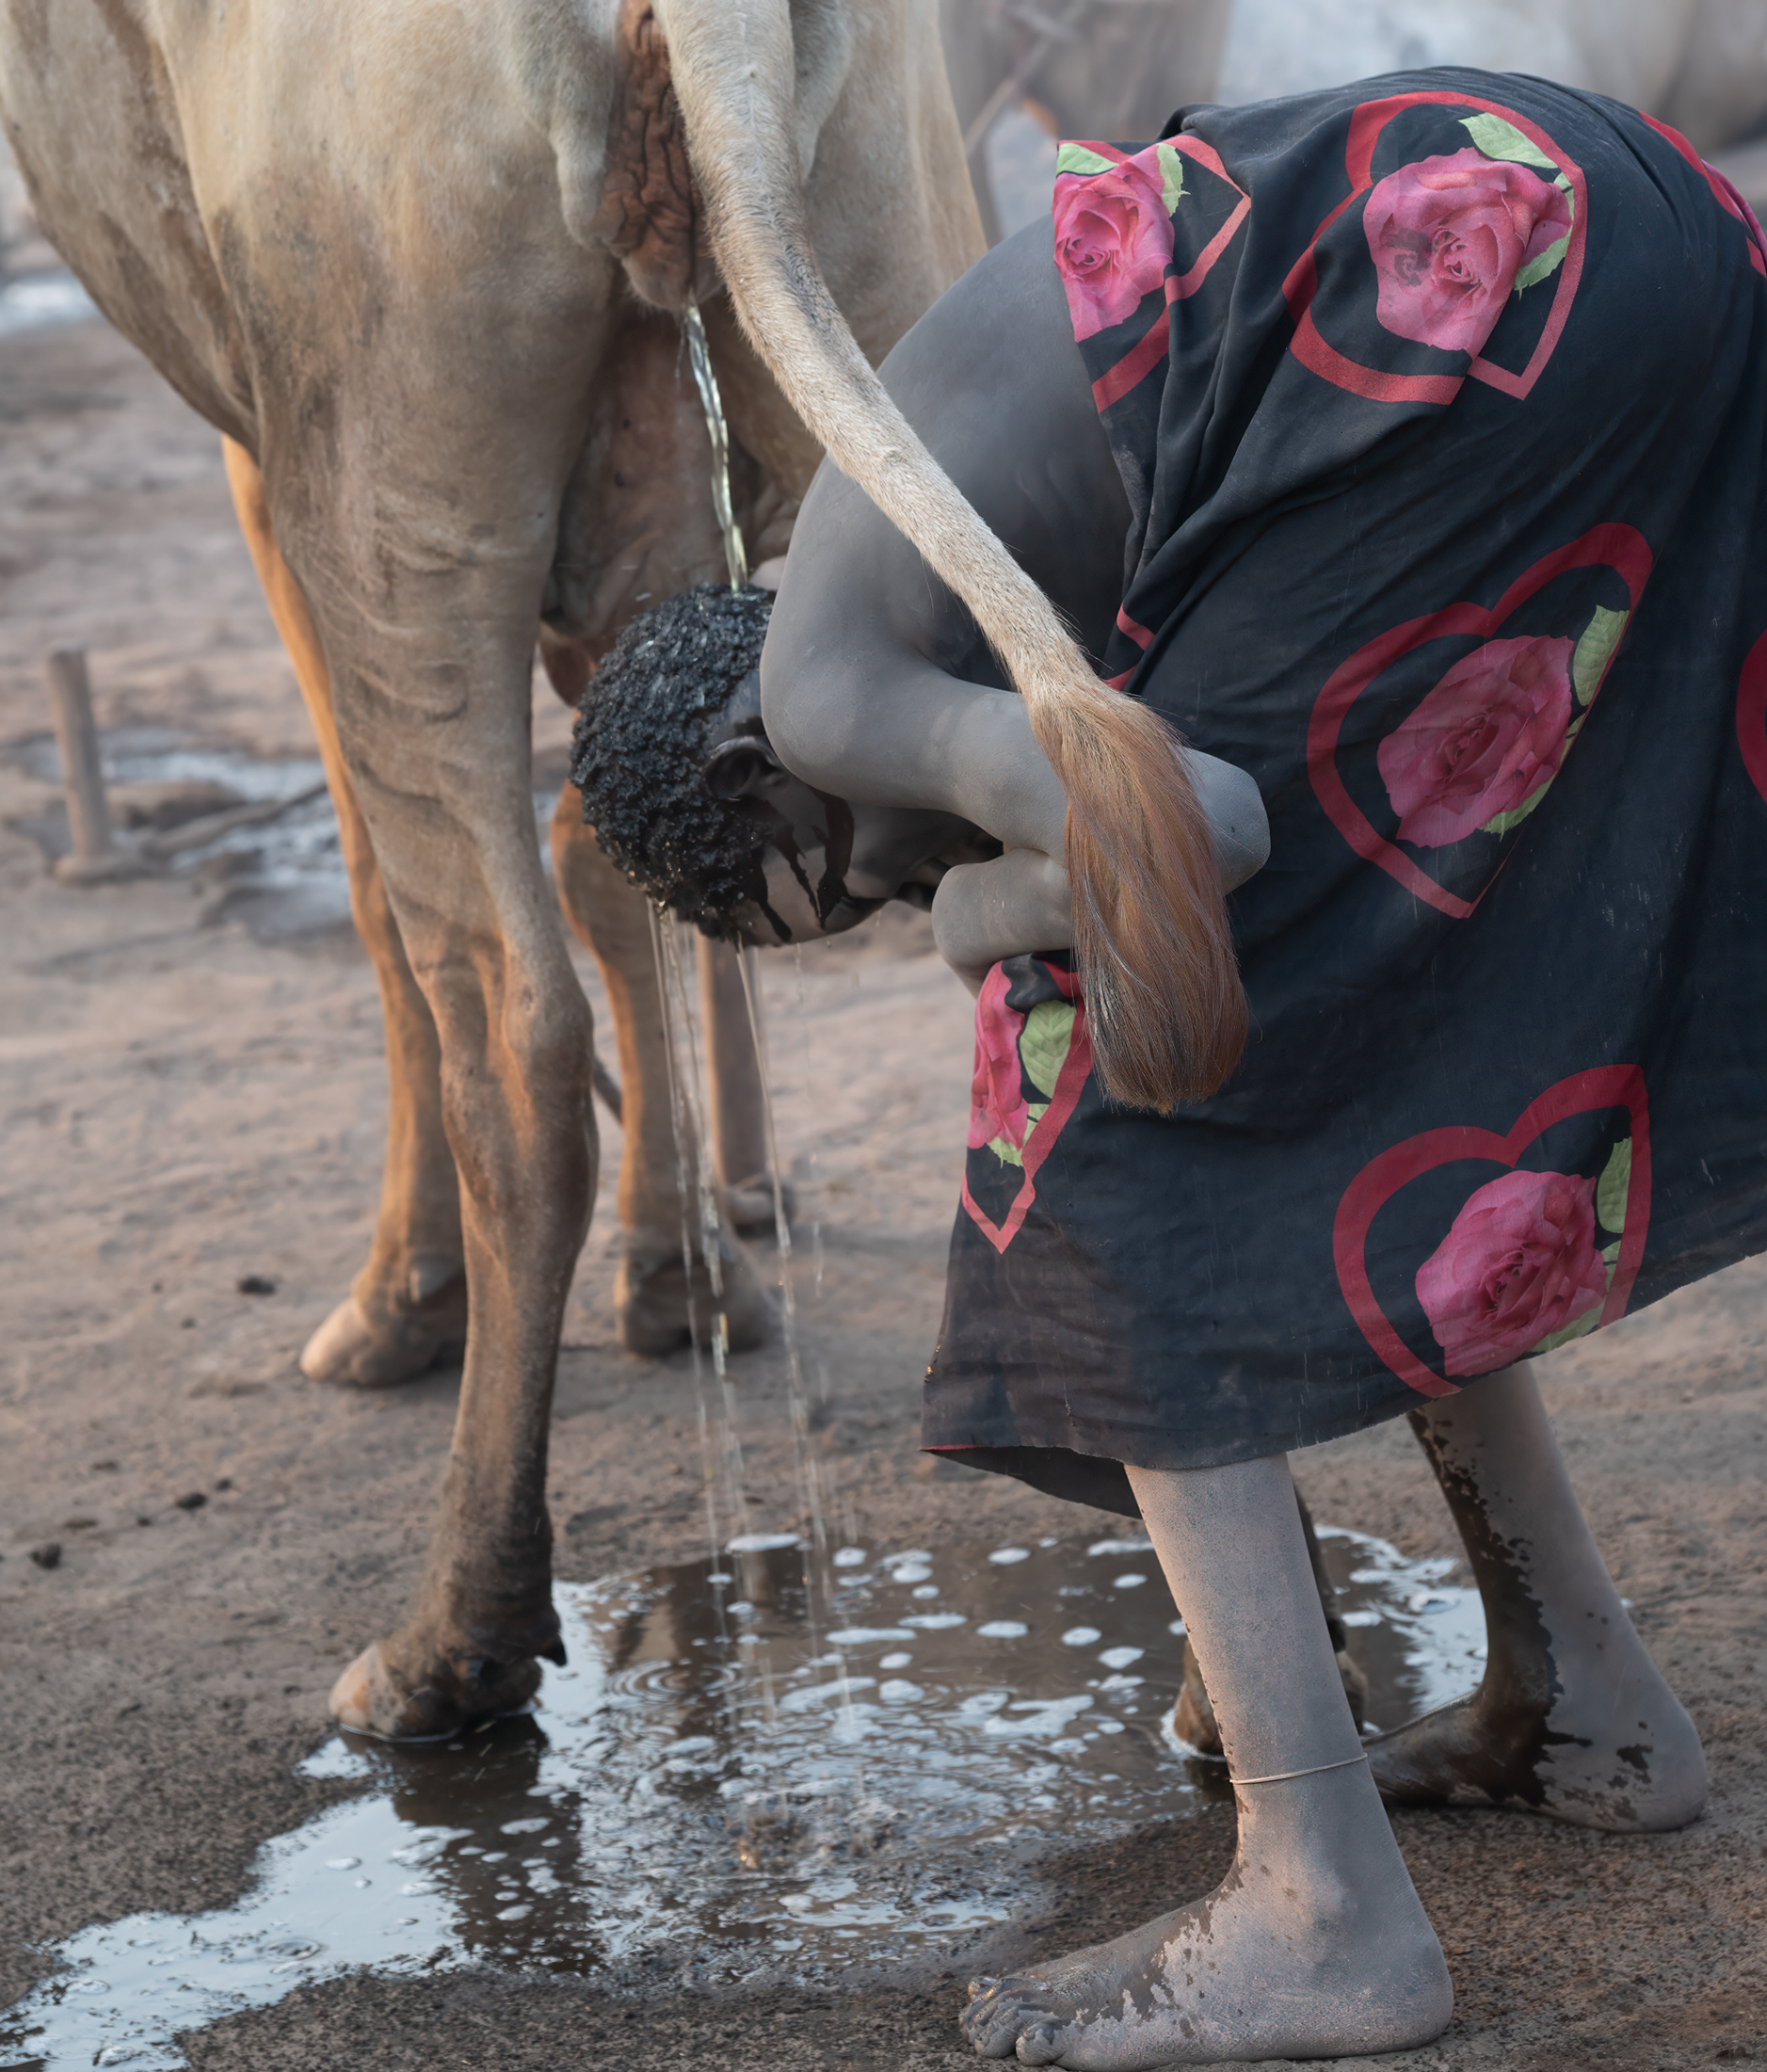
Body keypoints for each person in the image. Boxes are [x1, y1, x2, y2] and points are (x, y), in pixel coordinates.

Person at [572, 67, 1765, 2066]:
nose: (886, 895)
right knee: (1354, 1063)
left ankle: (1321, 1913)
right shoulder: (911, 536)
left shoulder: (825, 679)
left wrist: (968, 918)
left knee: (1107, 1114)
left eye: (834, 887)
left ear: (748, 775)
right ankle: (1585, 1696)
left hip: (1456, 302)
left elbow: (1188, 837)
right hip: (1602, 230)